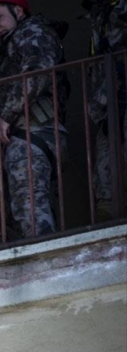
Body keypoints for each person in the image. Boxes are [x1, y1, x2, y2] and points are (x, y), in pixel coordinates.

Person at [0, 0, 69, 238]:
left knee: (28, 204)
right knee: (34, 204)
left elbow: (37, 71)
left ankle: (44, 261)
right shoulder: (14, 46)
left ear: (18, 11)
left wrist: (6, 115)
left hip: (34, 132)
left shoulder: (32, 31)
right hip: (33, 135)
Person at [84, 0, 127, 220]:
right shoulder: (97, 15)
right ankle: (107, 217)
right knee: (104, 165)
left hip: (116, 90)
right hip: (106, 100)